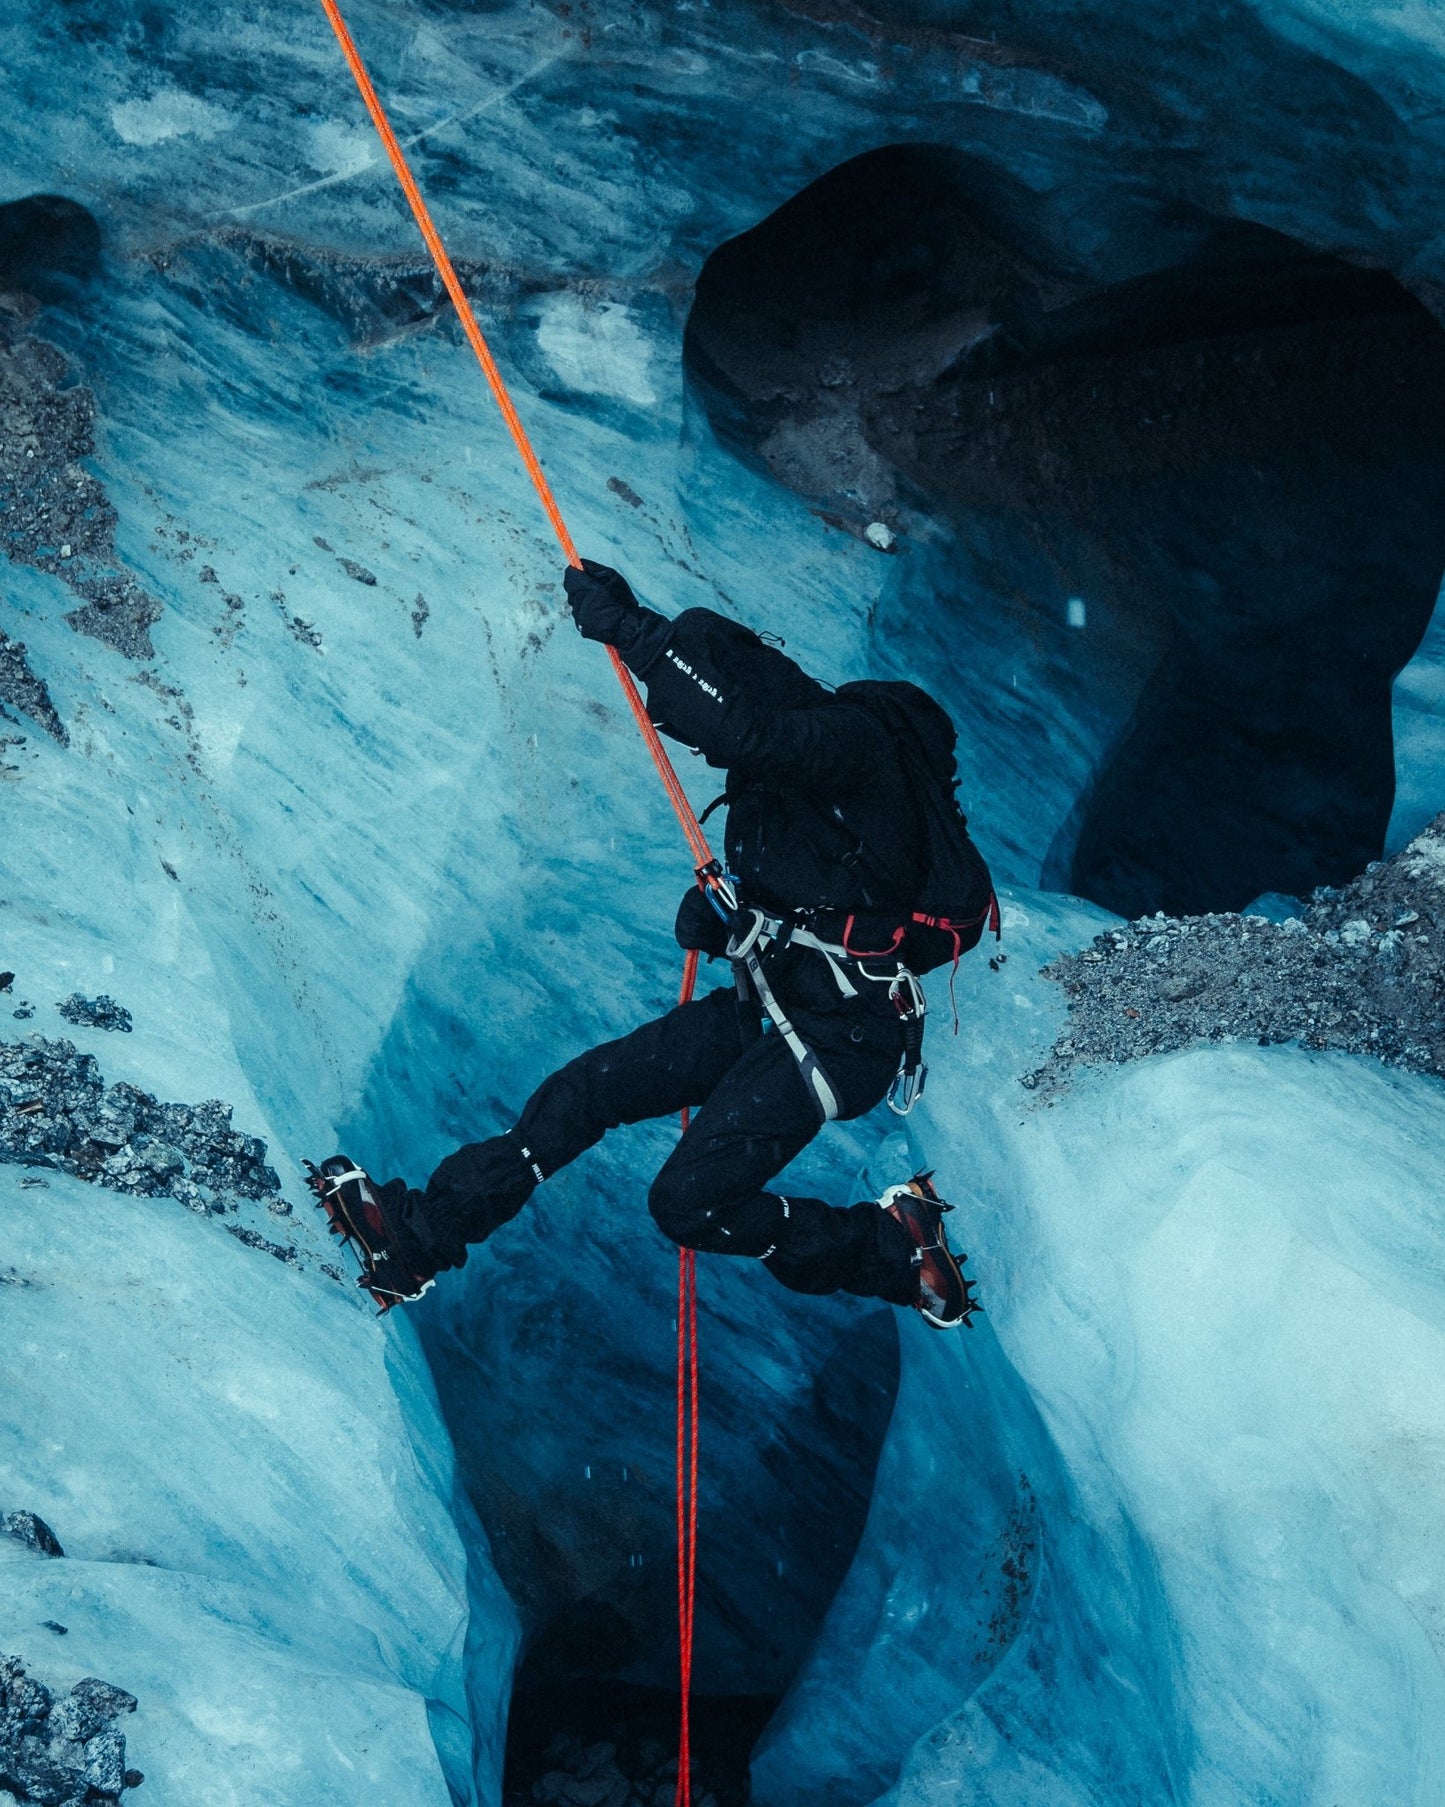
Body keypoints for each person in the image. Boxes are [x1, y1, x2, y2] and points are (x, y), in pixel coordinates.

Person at [308, 560, 982, 1329]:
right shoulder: (790, 786)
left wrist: (633, 633)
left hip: (842, 1039)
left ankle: (893, 1245)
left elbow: (742, 729)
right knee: (584, 1091)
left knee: (687, 1202)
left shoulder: (849, 745)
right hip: (775, 1008)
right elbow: (817, 900)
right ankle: (418, 1238)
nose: (696, 750)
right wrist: (733, 923)